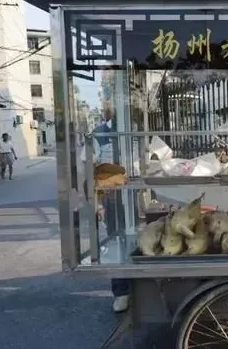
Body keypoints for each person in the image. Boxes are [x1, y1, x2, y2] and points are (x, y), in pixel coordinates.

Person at [83, 104, 131, 313]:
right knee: (118, 242)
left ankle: (139, 287)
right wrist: (98, 203)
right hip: (112, 199)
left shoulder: (133, 131)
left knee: (138, 239)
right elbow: (89, 171)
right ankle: (121, 292)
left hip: (135, 196)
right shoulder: (99, 135)